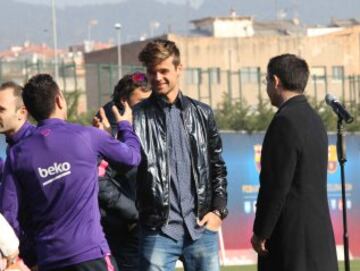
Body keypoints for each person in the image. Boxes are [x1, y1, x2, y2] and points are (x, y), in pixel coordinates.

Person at [0, 74, 141, 271]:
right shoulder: (87, 135)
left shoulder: (17, 155)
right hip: (91, 254)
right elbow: (132, 158)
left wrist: (32, 255)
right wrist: (126, 125)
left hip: (49, 259)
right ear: (59, 100)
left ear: (28, 111)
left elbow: (8, 213)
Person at [133, 39, 228, 271]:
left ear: (179, 69)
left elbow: (217, 167)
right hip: (157, 231)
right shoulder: (136, 118)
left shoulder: (203, 113)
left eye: (163, 70)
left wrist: (218, 211)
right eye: (152, 72)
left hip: (201, 229)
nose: (157, 77)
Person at [251, 54, 338, 271]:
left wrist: (262, 231)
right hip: (318, 235)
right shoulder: (315, 119)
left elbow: (276, 185)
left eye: (267, 81)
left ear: (276, 81)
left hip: (291, 239)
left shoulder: (284, 121)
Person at [94, 72, 151, 271]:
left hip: (145, 226)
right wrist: (135, 214)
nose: (148, 106)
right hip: (121, 229)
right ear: (124, 102)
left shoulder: (144, 129)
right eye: (141, 102)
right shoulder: (105, 132)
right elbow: (100, 181)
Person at [0, 81, 36, 268]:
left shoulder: (34, 146)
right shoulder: (14, 146)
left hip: (35, 252)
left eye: (1, 110)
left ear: (22, 112)